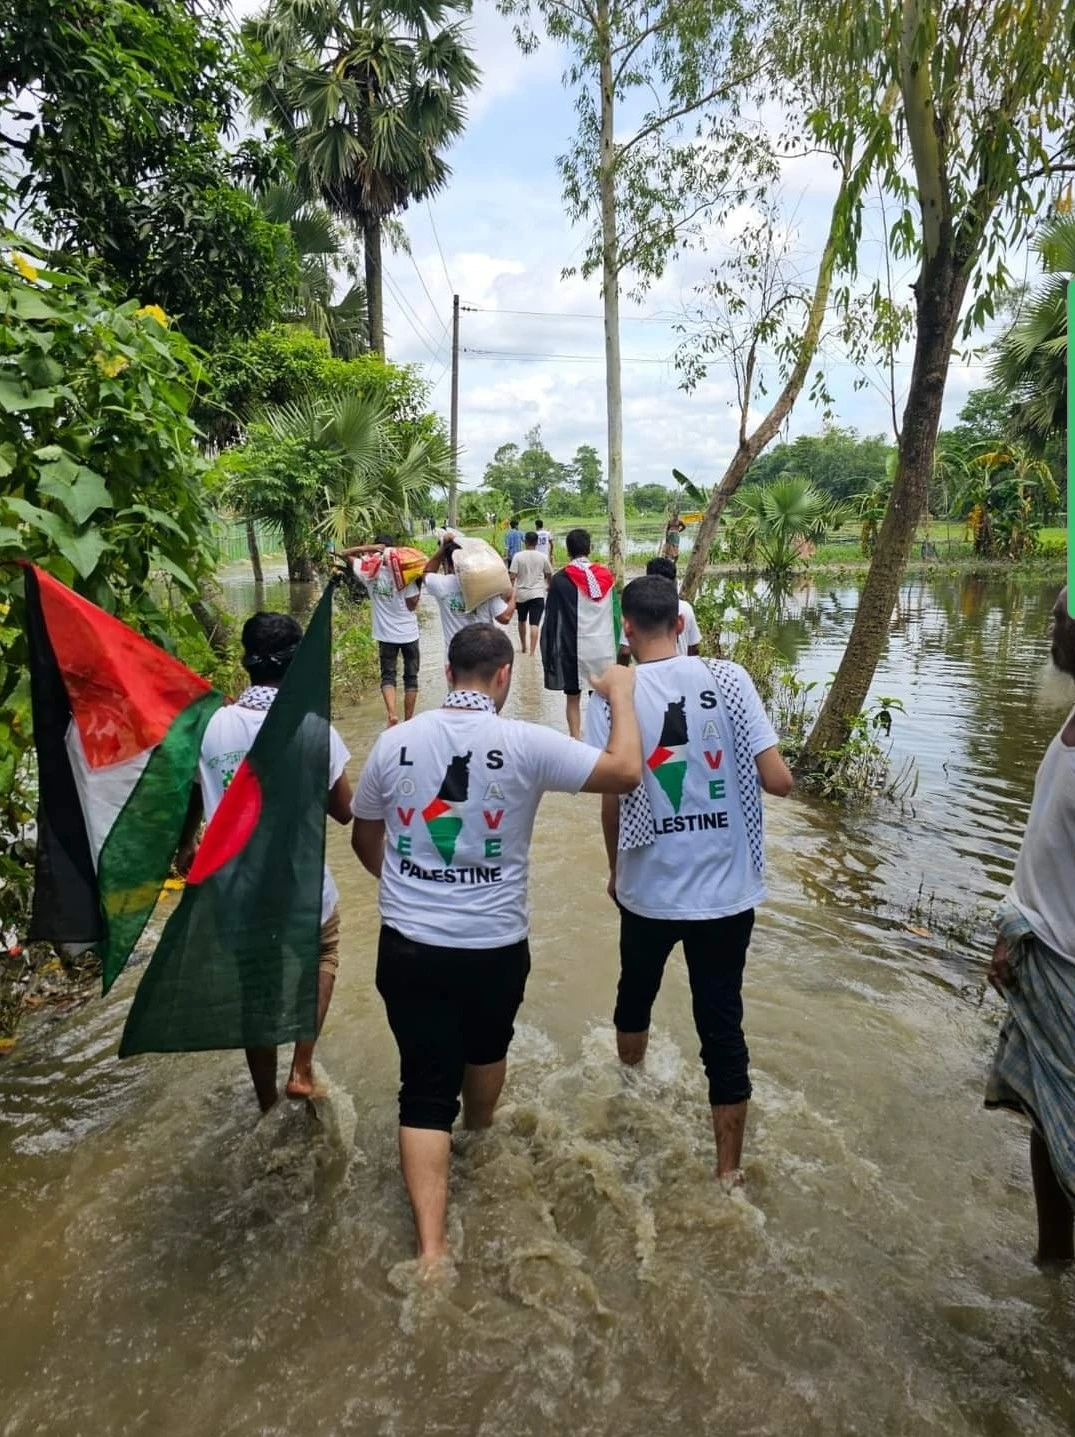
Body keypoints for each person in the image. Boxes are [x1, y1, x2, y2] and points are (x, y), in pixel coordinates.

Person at [351, 623, 642, 1264]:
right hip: (493, 947)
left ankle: (431, 1252)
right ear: (505, 676)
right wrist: (620, 692)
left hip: (408, 946)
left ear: (449, 673)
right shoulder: (525, 743)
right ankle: (479, 1139)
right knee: (487, 1049)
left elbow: (365, 836)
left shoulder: (394, 743)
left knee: (423, 1087)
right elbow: (625, 771)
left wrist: (410, 884)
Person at [583, 576, 793, 1188]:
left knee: (634, 995)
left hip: (648, 890)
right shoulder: (729, 680)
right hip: (728, 895)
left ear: (626, 628)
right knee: (722, 1026)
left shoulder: (610, 697)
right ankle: (728, 1172)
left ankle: (630, 1088)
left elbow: (613, 795)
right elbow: (776, 781)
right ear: (681, 624)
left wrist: (616, 872)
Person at [177, 613, 353, 1112]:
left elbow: (193, 792)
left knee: (257, 989)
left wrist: (187, 844)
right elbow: (342, 811)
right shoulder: (312, 727)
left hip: (234, 887)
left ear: (244, 663)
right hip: (300, 884)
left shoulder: (211, 726)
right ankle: (301, 1067)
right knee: (322, 956)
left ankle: (265, 1101)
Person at [985, 586, 1075, 1266]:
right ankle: (1052, 1262)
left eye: (1062, 617)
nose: (1052, 622)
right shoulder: (1070, 718)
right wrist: (1010, 934)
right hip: (1038, 953)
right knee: (1046, 1120)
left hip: (1067, 967)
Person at [541, 527, 618, 739]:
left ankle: (575, 740)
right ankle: (602, 738)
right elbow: (615, 616)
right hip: (602, 648)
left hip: (573, 650)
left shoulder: (560, 579)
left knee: (573, 699)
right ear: (590, 548)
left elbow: (553, 620)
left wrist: (551, 652)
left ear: (568, 550)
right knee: (601, 698)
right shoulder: (606, 576)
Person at [345, 535, 421, 728]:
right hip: (409, 634)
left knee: (388, 675)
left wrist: (370, 547)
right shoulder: (405, 576)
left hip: (386, 635)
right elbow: (412, 605)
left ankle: (392, 714)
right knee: (411, 678)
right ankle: (409, 720)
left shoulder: (369, 572)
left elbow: (345, 554)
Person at [423, 537, 516, 647]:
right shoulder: (487, 583)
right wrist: (513, 595)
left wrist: (442, 549)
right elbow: (505, 618)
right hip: (483, 655)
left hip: (455, 657)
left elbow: (426, 572)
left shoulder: (441, 584)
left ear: (448, 563)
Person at [617, 557, 701, 659]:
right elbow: (694, 647)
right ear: (674, 582)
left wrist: (621, 670)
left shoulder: (638, 607)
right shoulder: (686, 608)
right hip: (680, 670)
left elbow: (625, 652)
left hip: (646, 672)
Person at [509, 529, 553, 656]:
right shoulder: (542, 557)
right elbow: (549, 574)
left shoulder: (518, 556)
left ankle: (523, 647)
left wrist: (511, 591)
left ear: (525, 542)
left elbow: (512, 576)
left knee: (522, 621)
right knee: (534, 624)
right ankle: (532, 653)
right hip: (537, 594)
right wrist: (549, 586)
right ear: (537, 542)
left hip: (521, 595)